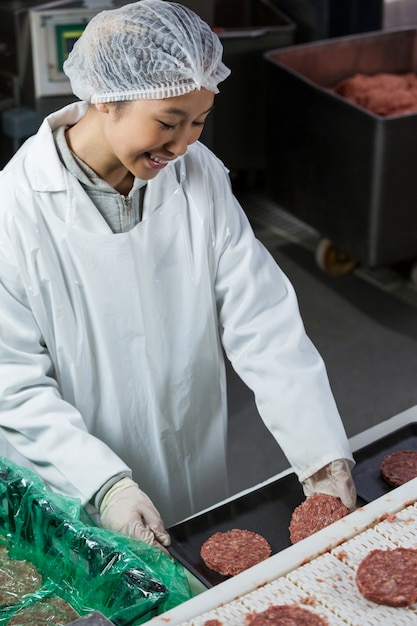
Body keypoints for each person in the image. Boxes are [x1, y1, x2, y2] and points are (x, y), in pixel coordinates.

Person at [0, 0, 356, 552]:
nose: (185, 143)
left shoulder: (197, 174)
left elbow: (260, 318)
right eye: (168, 122)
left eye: (199, 121)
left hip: (191, 447)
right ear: (105, 98)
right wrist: (106, 486)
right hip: (76, 476)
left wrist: (321, 454)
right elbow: (12, 382)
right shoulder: (16, 209)